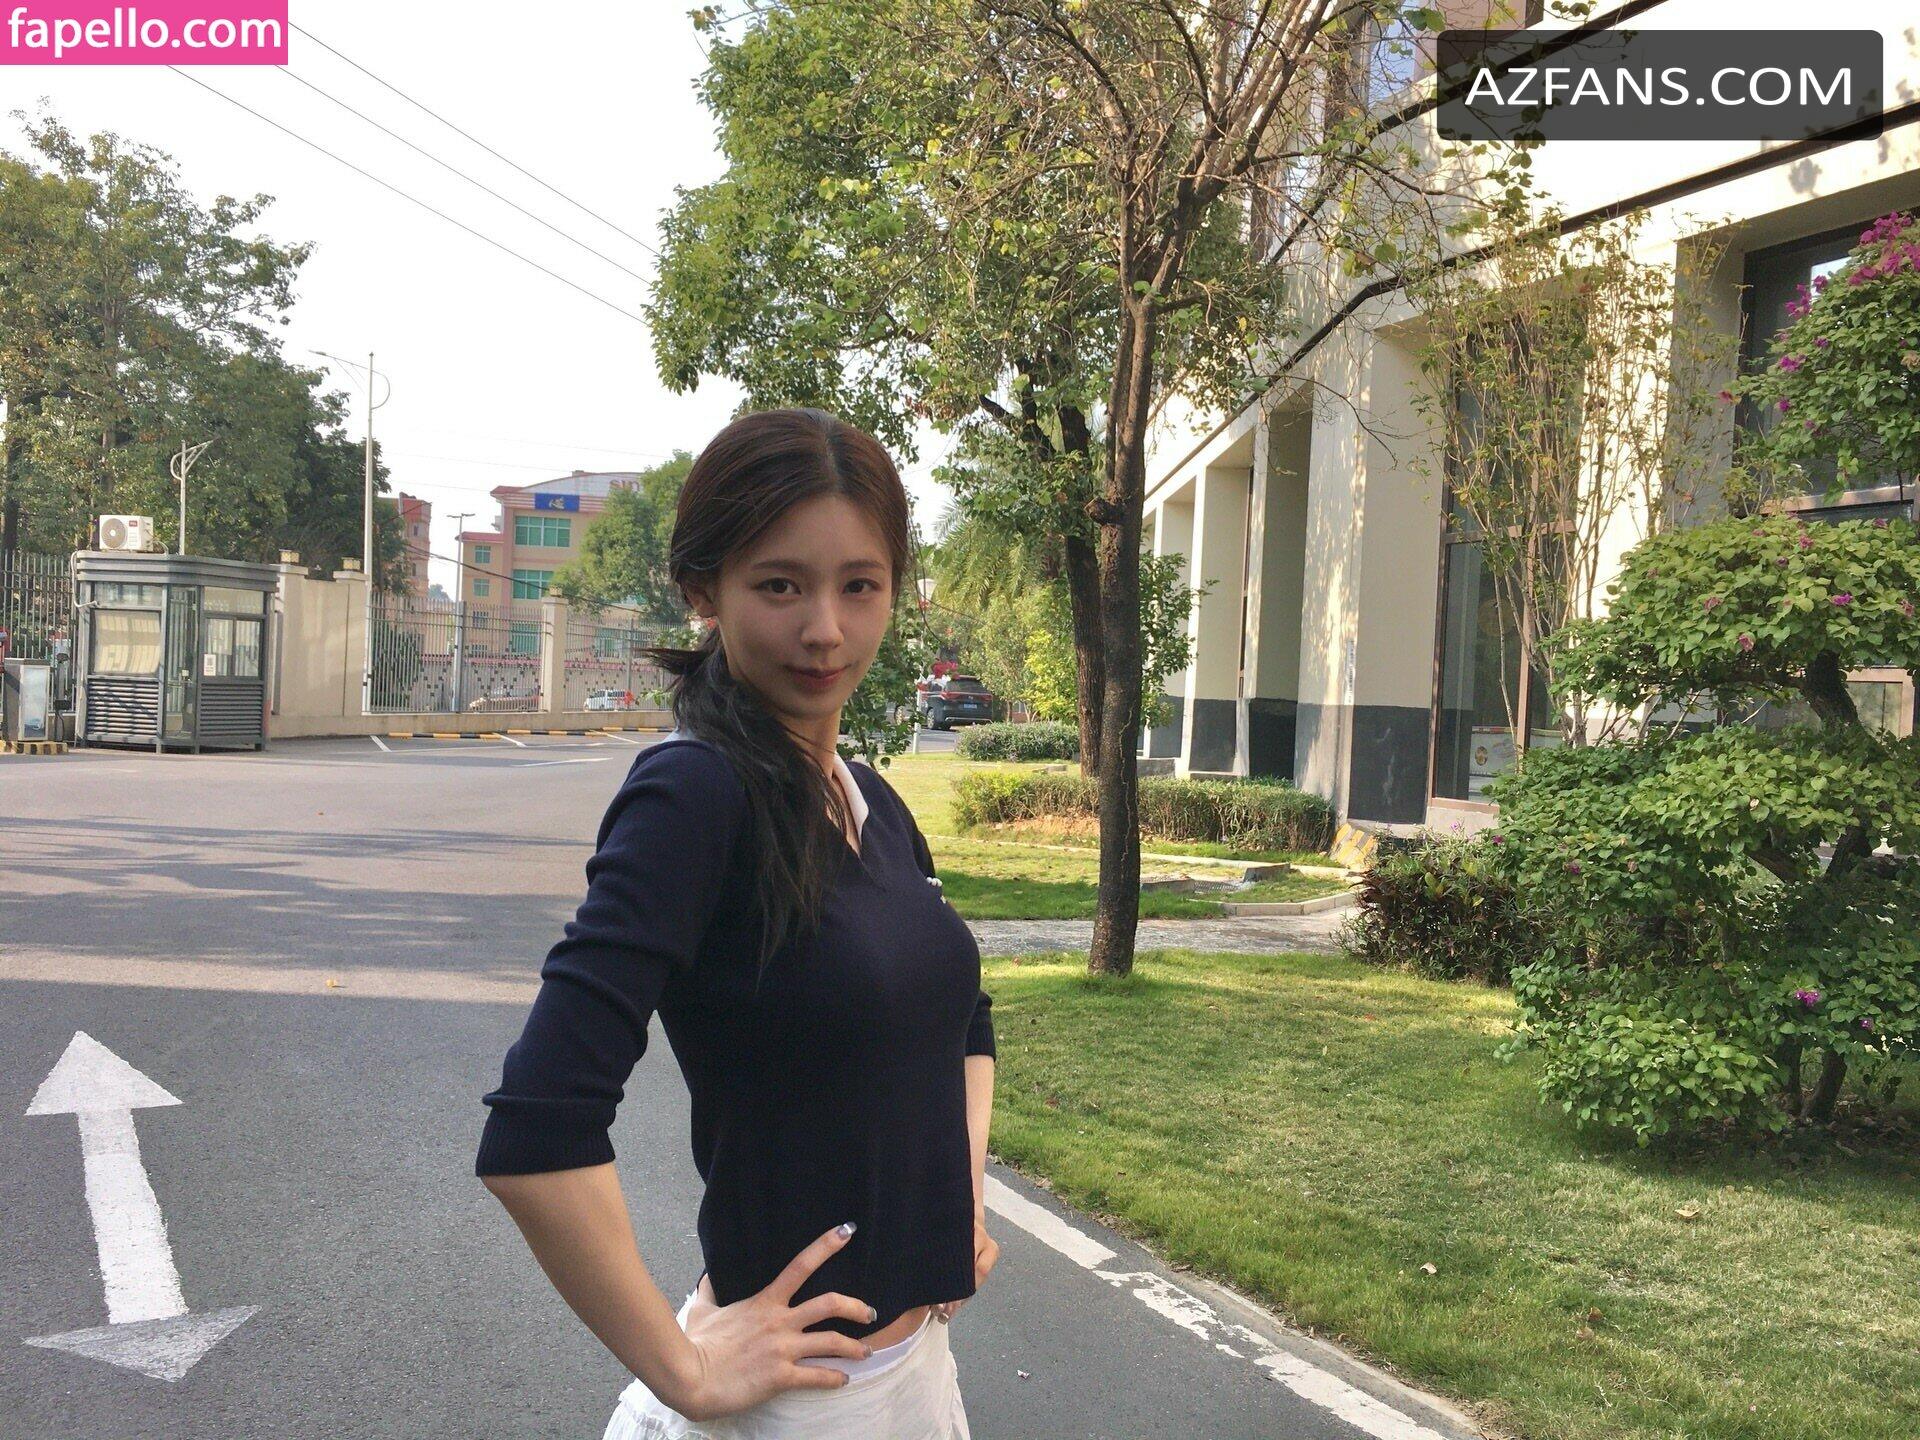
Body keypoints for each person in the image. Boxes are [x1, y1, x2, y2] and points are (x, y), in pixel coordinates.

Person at [476, 408, 998, 1439]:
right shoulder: (694, 796)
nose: (825, 629)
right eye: (780, 585)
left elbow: (963, 1021)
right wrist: (688, 1372)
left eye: (860, 585)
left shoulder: (871, 800)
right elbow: (536, 1129)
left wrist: (957, 1199)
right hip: (801, 1407)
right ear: (703, 589)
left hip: (918, 1375)